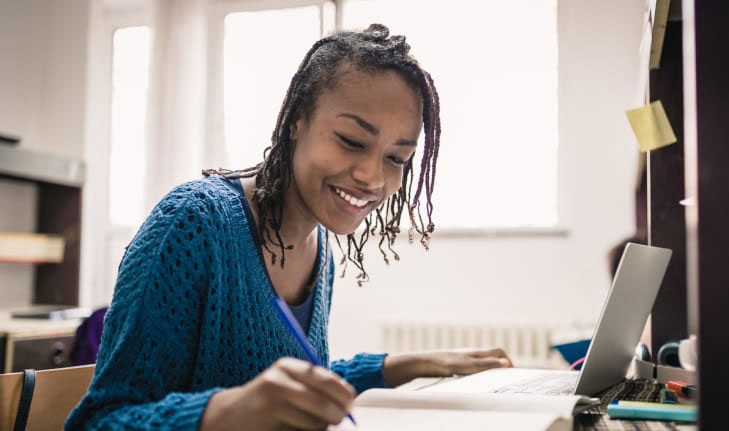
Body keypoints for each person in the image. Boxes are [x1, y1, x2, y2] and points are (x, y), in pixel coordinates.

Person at [64, 24, 513, 431]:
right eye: (352, 141)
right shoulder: (195, 224)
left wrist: (403, 365)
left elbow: (289, 383)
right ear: (297, 119)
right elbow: (100, 421)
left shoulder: (320, 248)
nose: (374, 178)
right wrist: (228, 411)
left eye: (396, 158)